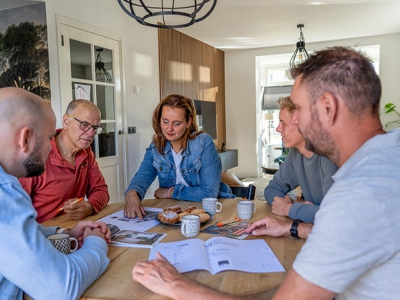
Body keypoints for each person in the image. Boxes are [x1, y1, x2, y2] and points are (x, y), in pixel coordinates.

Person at [132, 47, 400, 299]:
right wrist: (295, 228)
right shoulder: (385, 161)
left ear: (328, 107)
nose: (290, 122)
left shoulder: (361, 194)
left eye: (299, 109)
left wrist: (177, 285)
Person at [0, 87, 110, 300]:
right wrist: (97, 242)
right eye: (49, 137)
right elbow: (61, 289)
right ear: (26, 138)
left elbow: (15, 232)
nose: (51, 147)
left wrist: (64, 234)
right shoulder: (5, 190)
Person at [125, 94, 234, 219]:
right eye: (165, 121)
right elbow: (143, 175)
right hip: (177, 211)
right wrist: (132, 193)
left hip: (214, 210)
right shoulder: (156, 146)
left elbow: (209, 193)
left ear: (188, 122)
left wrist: (170, 192)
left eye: (176, 123)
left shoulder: (203, 143)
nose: (169, 128)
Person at [19, 99, 109, 222]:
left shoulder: (86, 153)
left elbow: (101, 190)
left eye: (95, 128)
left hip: (73, 229)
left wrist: (90, 206)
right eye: (84, 125)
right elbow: (12, 212)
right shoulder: (35, 155)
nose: (90, 133)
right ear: (66, 121)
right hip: (41, 235)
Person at [265, 96, 338, 223]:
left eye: (283, 123)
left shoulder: (331, 156)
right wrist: (296, 207)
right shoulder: (296, 154)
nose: (278, 129)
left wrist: (289, 208)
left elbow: (334, 215)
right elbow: (272, 189)